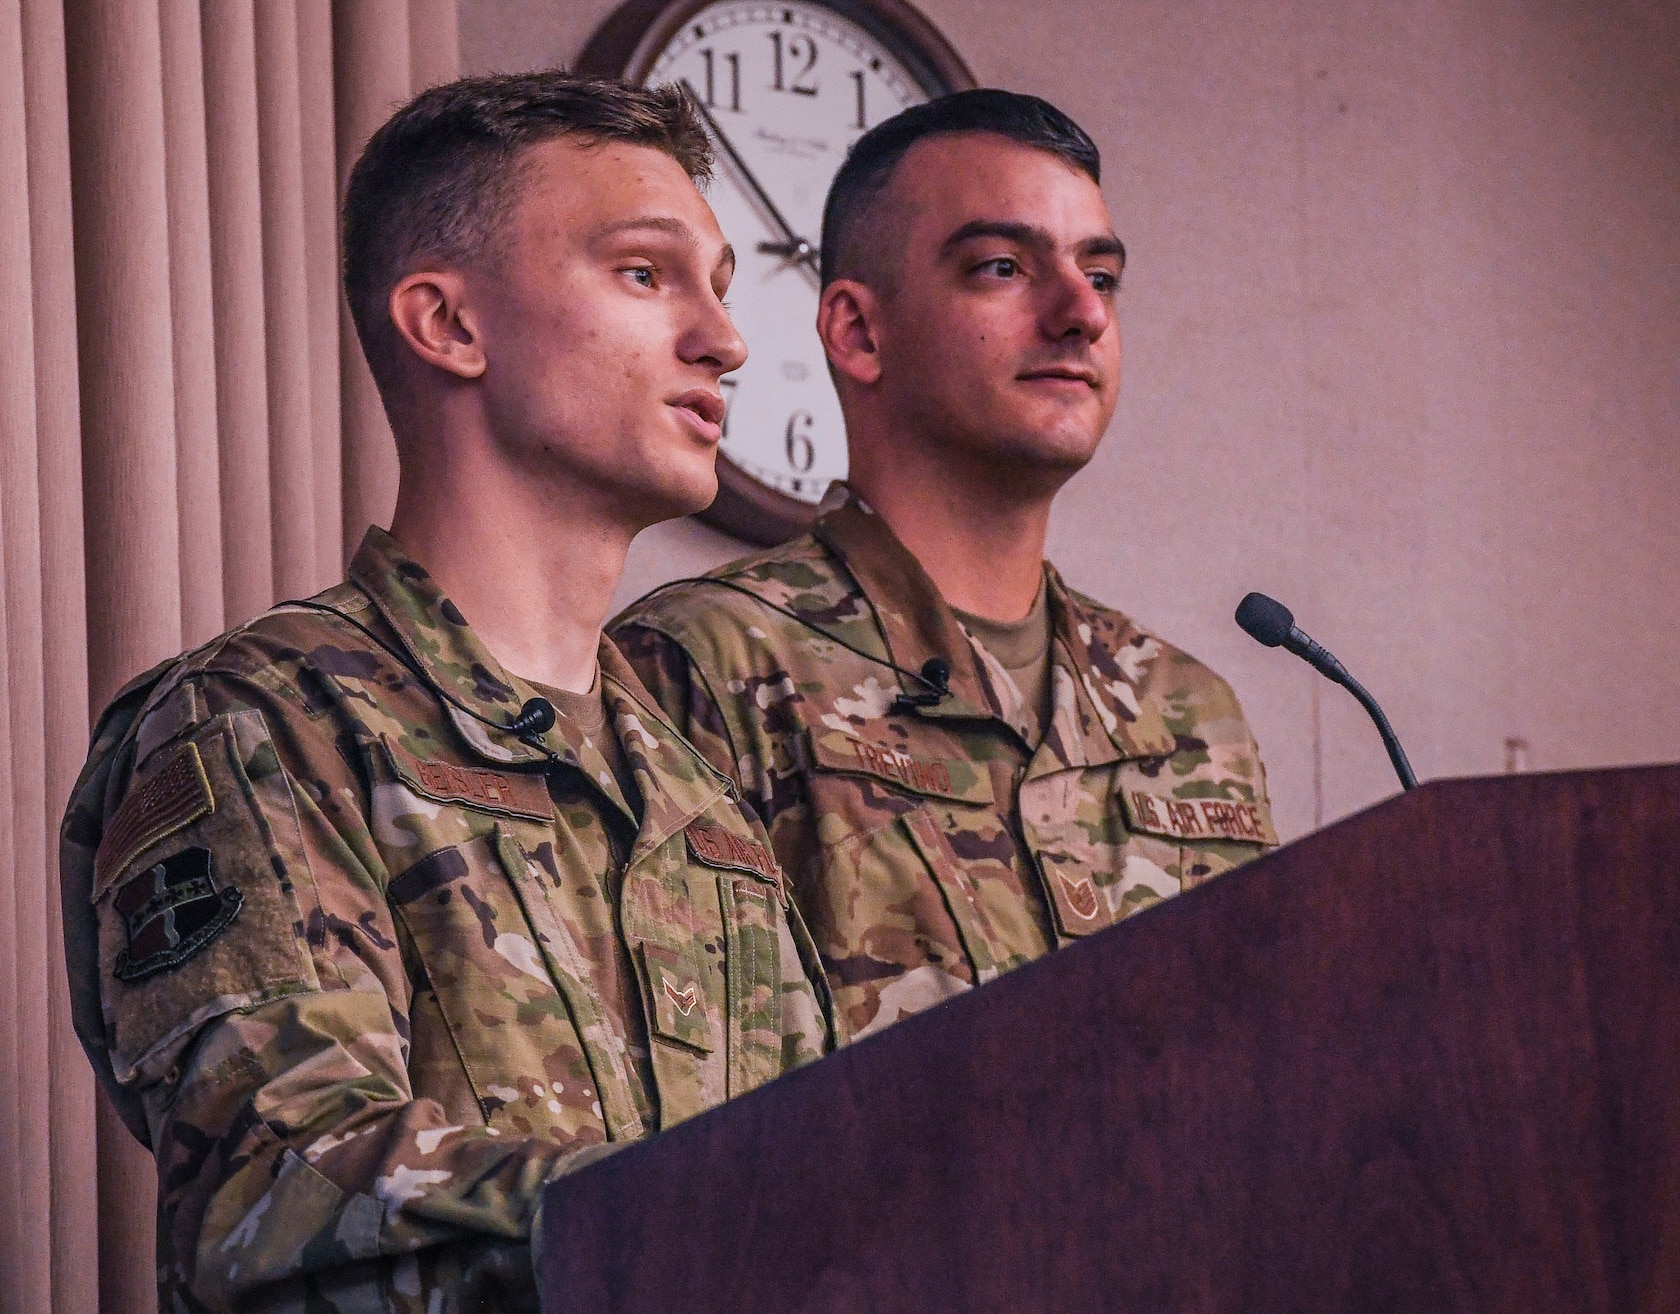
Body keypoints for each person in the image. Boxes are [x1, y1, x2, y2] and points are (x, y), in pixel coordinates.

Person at [60, 72, 830, 1313]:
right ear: (449, 325)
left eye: (721, 289)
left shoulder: (703, 802)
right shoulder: (266, 720)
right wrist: (708, 1206)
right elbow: (281, 1190)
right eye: (645, 275)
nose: (724, 340)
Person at [610, 90, 1277, 1046]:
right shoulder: (703, 669)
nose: (1081, 313)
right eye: (1002, 267)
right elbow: (686, 1123)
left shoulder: (1192, 713)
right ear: (858, 333)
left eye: (1103, 274)